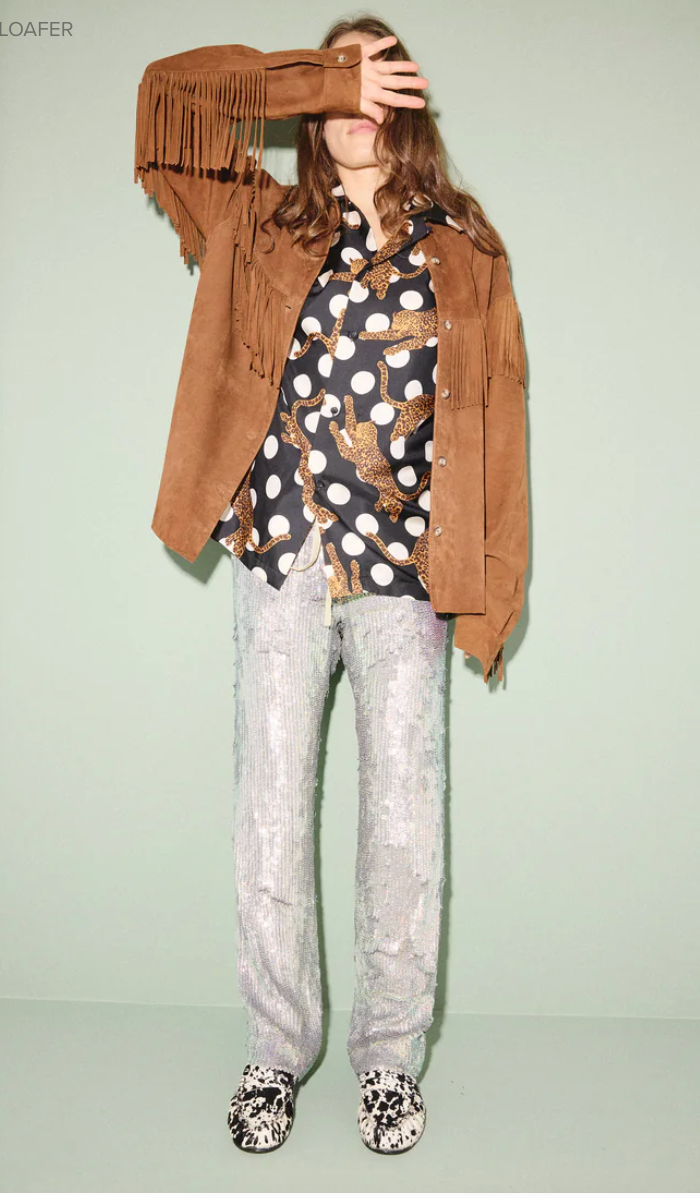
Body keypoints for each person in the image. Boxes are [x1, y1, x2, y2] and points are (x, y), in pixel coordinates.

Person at [134, 13, 528, 1156]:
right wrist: (317, 76)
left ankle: (389, 1061)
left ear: (409, 105)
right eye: (339, 76)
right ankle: (275, 1051)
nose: (356, 97)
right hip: (284, 559)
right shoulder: (256, 221)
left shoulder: (465, 247)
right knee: (270, 815)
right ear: (315, 104)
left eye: (375, 74)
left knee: (403, 827)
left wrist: (493, 581)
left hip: (407, 573)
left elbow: (498, 422)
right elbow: (167, 101)